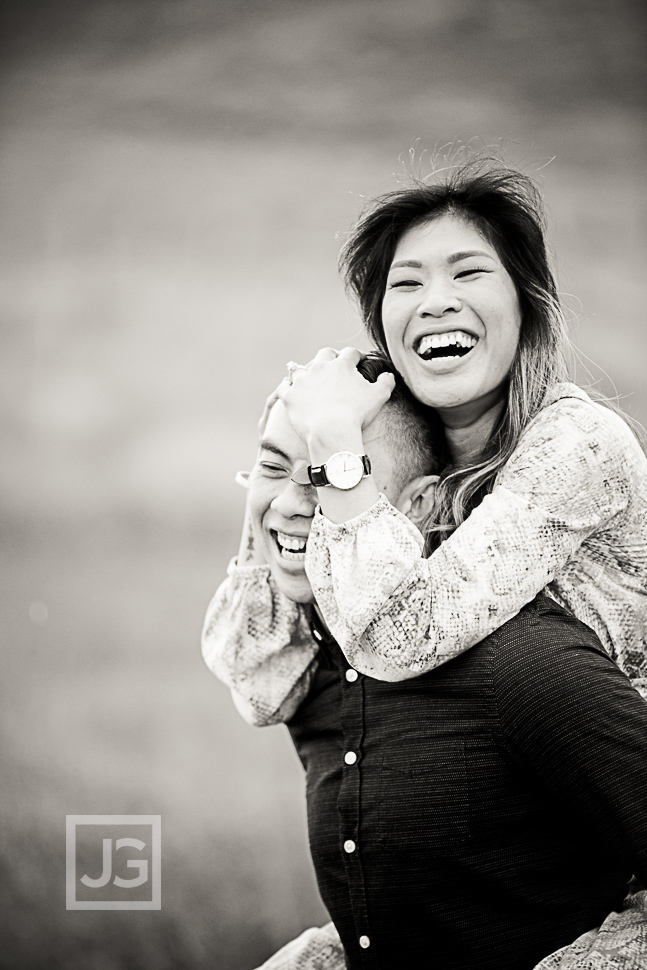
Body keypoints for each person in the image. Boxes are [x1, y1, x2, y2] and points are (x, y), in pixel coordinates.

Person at [202, 357, 647, 970]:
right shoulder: (317, 666)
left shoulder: (524, 664)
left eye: (328, 478)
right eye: (273, 468)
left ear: (418, 503)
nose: (288, 503)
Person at [219, 158, 647, 717]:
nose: (436, 300)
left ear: (529, 304)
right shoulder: (398, 442)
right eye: (407, 282)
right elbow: (259, 684)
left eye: (468, 273)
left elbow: (396, 639)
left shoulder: (577, 446)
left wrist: (336, 448)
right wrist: (277, 464)